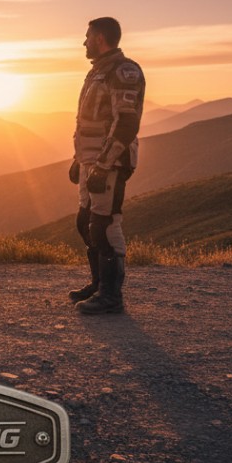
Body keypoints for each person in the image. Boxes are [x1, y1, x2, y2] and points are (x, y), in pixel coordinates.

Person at [68, 17, 144, 314]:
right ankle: (99, 285)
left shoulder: (123, 72)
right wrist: (78, 159)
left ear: (100, 38)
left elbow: (126, 124)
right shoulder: (99, 71)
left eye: (87, 36)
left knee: (105, 224)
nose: (83, 42)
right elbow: (89, 122)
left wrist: (103, 164)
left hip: (109, 162)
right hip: (90, 160)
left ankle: (111, 296)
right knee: (85, 221)